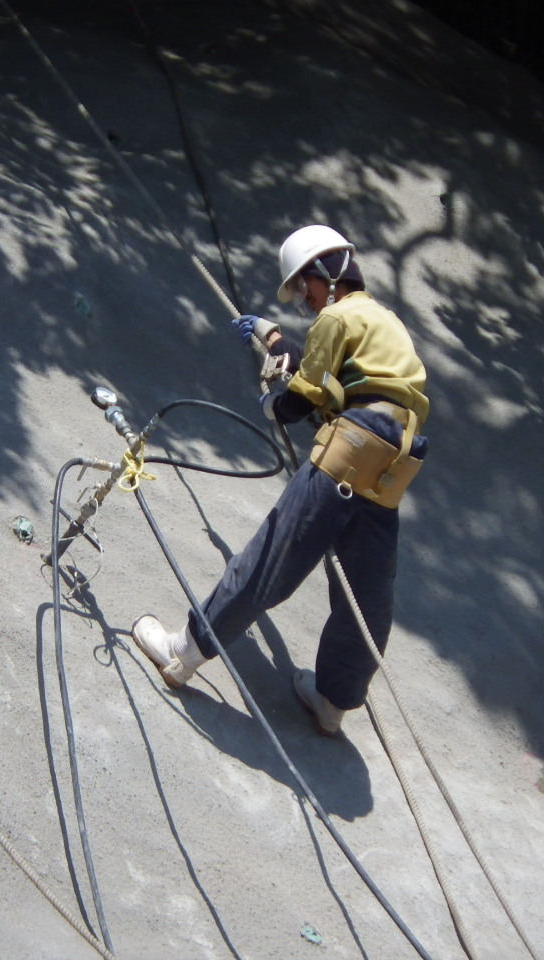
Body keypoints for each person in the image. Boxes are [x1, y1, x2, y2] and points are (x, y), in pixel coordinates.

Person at [131, 225, 430, 736]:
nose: (303, 301)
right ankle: (334, 702)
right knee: (367, 592)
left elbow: (302, 397)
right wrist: (271, 337)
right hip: (392, 464)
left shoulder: (335, 316)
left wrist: (276, 402)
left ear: (326, 272)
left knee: (270, 561)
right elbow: (338, 372)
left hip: (351, 449)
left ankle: (183, 652)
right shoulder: (382, 321)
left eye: (303, 288)